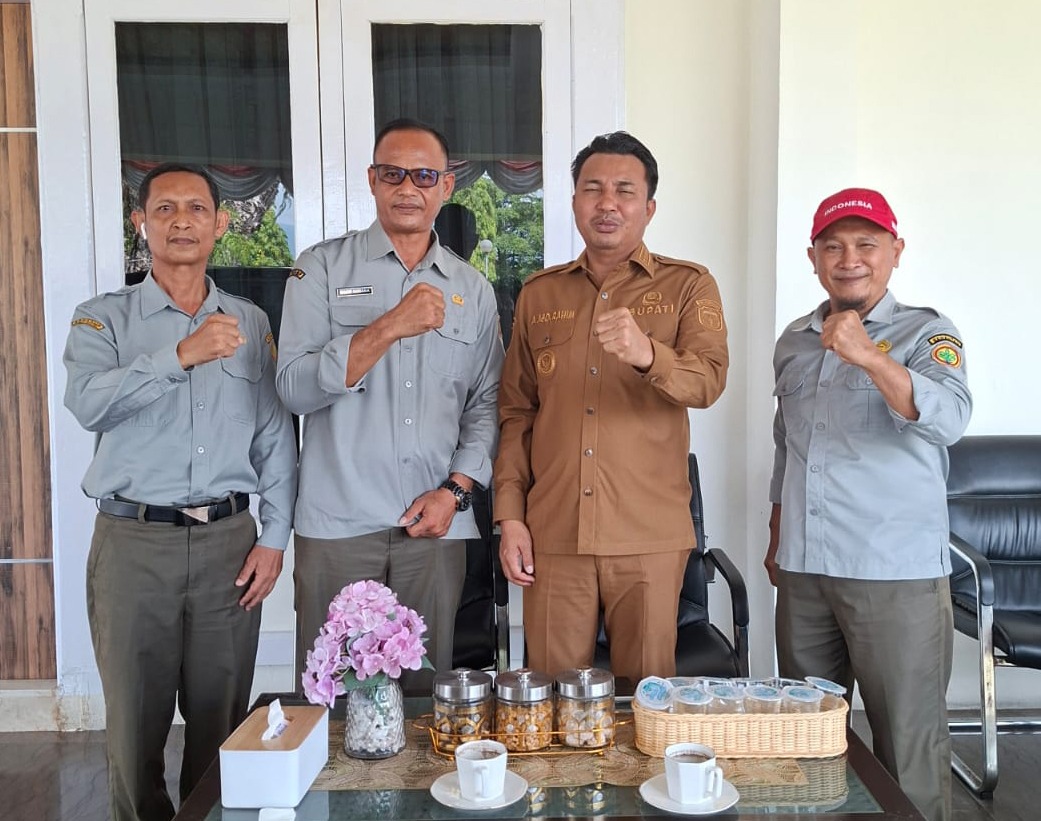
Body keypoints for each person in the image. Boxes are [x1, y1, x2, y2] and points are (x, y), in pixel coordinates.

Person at [63, 163, 297, 821]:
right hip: (134, 544)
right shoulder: (102, 318)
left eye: (196, 208)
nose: (181, 221)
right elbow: (87, 403)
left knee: (223, 722)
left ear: (220, 224)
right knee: (135, 723)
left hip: (230, 544)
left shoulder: (250, 320)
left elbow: (275, 437)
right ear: (141, 223)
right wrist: (180, 355)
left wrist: (275, 536)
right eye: (164, 209)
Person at [765, 188, 971, 821]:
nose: (849, 259)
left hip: (894, 574)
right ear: (813, 258)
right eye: (833, 246)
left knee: (907, 749)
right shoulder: (794, 341)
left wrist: (868, 356)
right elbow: (787, 445)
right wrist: (776, 536)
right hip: (805, 571)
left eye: (866, 244)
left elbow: (949, 419)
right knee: (807, 742)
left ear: (895, 252)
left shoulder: (927, 333)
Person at [494, 131, 729, 679]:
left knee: (646, 702)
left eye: (625, 191)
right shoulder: (540, 294)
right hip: (554, 533)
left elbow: (708, 382)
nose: (607, 203)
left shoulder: (688, 285)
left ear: (649, 207)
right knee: (552, 700)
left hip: (648, 534)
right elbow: (517, 414)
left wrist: (648, 354)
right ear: (574, 201)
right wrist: (510, 517)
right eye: (593, 189)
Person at [276, 119, 503, 685]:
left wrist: (456, 492)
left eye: (424, 176)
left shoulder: (471, 290)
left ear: (446, 186)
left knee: (426, 698)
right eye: (393, 174)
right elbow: (294, 388)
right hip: (338, 525)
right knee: (331, 696)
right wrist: (388, 327)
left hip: (435, 526)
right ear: (372, 181)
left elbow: (486, 404)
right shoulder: (319, 268)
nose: (408, 188)